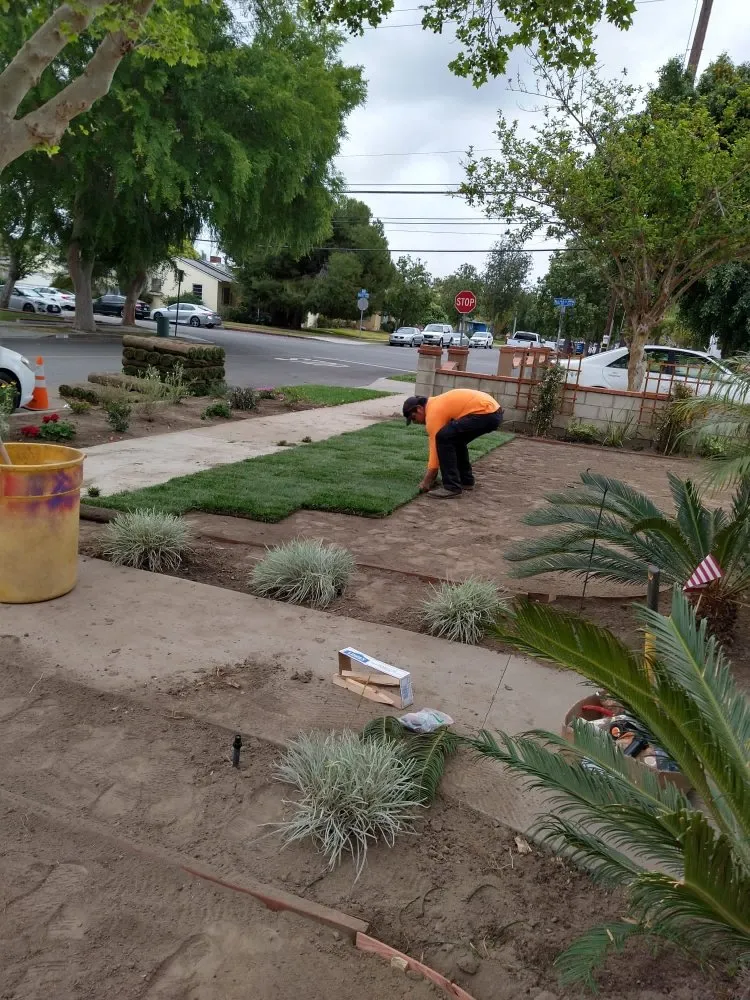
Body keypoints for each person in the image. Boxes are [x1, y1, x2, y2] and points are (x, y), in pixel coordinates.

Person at [403, 388, 503, 499]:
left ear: (419, 409)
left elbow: (435, 446)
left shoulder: (432, 412)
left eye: (413, 417)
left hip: (485, 412)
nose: (416, 421)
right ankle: (466, 480)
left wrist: (428, 479)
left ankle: (451, 487)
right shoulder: (435, 403)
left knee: (443, 437)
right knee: (454, 439)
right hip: (493, 413)